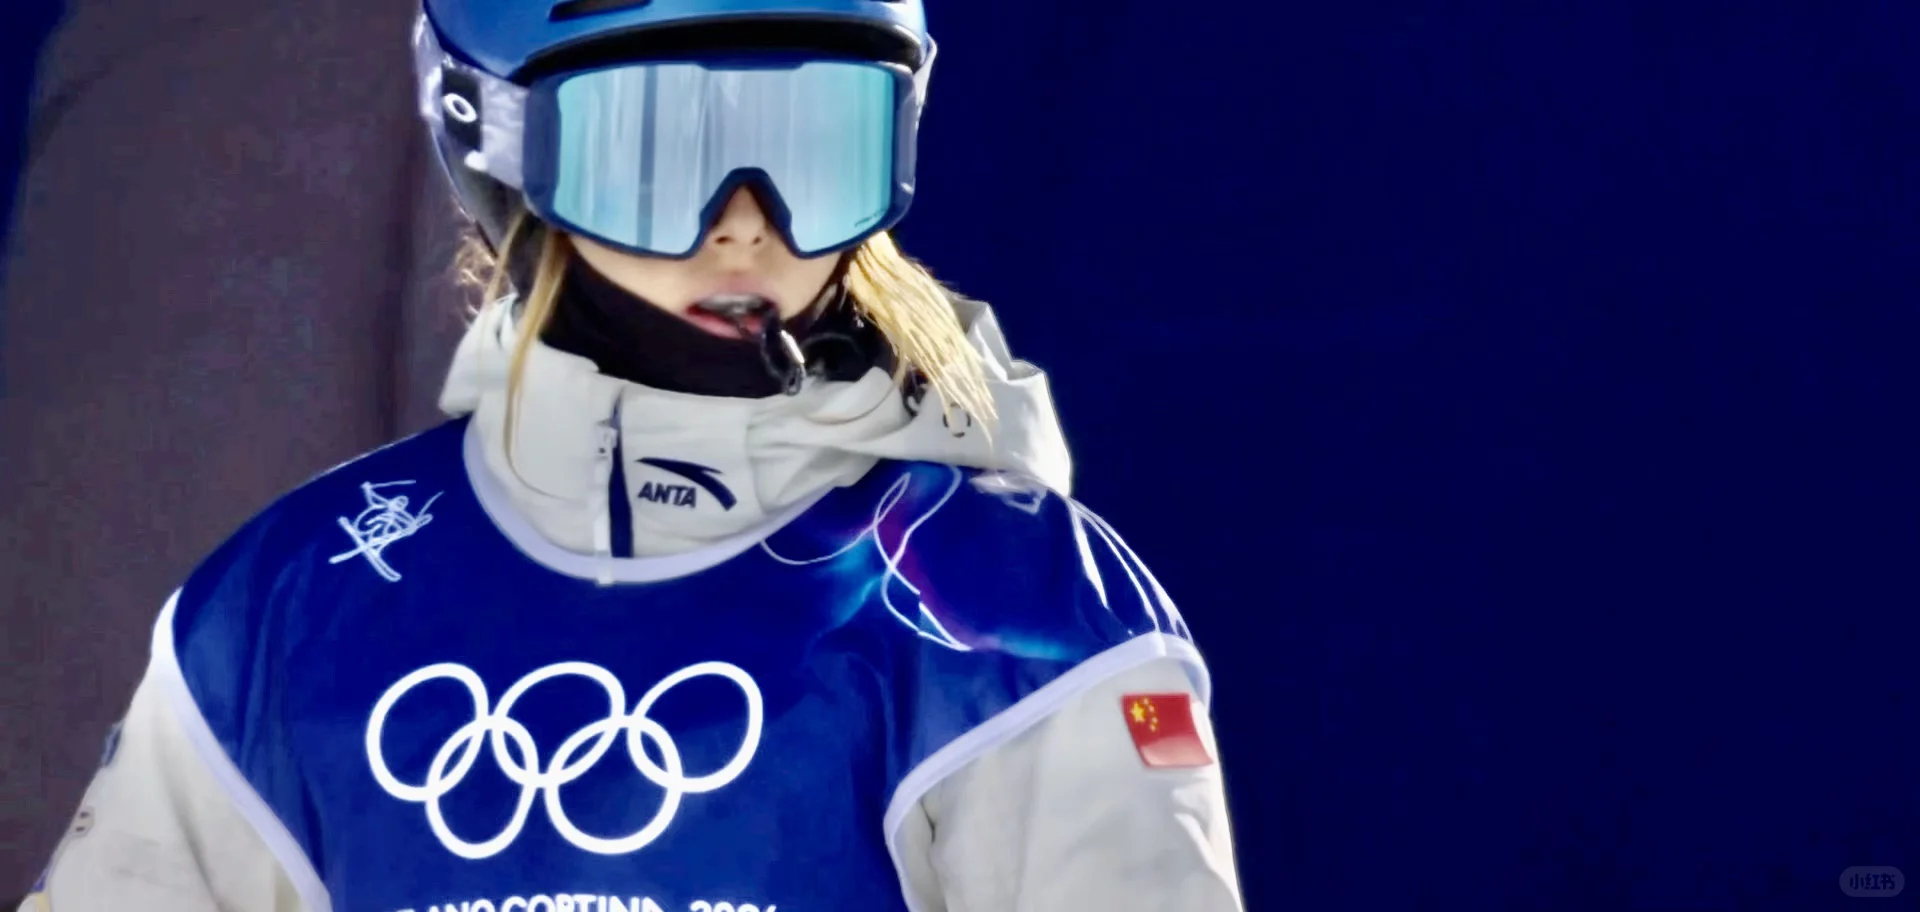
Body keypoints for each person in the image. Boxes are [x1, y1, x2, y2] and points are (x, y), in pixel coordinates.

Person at [21, 0, 1244, 909]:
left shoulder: (1010, 609)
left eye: (818, 140)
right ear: (506, 151)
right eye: (659, 151)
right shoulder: (289, 601)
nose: (746, 228)